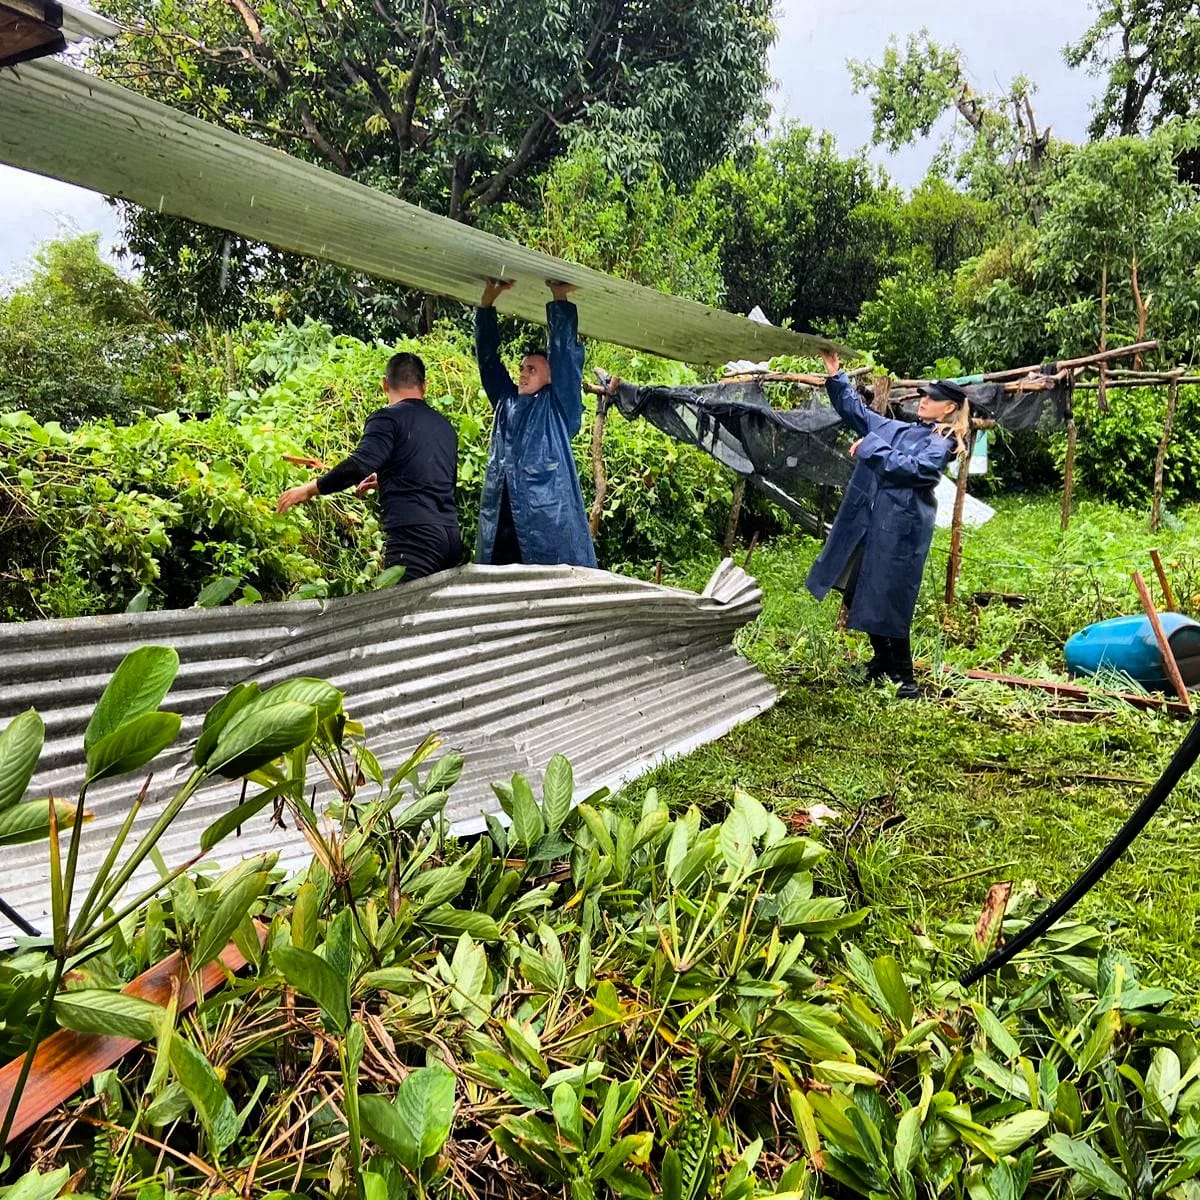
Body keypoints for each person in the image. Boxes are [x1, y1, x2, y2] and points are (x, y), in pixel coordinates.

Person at [806, 349, 970, 699]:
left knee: (890, 600)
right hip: (873, 524)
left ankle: (906, 677)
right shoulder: (903, 428)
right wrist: (836, 374)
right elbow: (857, 413)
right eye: (925, 395)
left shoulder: (940, 443)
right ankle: (882, 661)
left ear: (950, 408)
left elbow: (917, 471)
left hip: (901, 533)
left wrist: (872, 447)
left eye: (934, 398)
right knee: (858, 592)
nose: (925, 400)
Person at [276, 351, 462, 583]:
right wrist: (387, 478)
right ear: (424, 386)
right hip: (450, 537)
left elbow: (357, 466)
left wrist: (309, 489)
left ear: (385, 384)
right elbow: (437, 478)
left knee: (401, 616)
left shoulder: (388, 419)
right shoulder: (445, 427)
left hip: (415, 539)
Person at [473, 277, 597, 568]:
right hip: (501, 525)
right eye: (522, 368)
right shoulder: (506, 401)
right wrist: (486, 304)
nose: (523, 373)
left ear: (550, 377)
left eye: (532, 369)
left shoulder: (557, 408)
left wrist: (559, 299)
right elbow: (488, 362)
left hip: (545, 530)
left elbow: (565, 358)